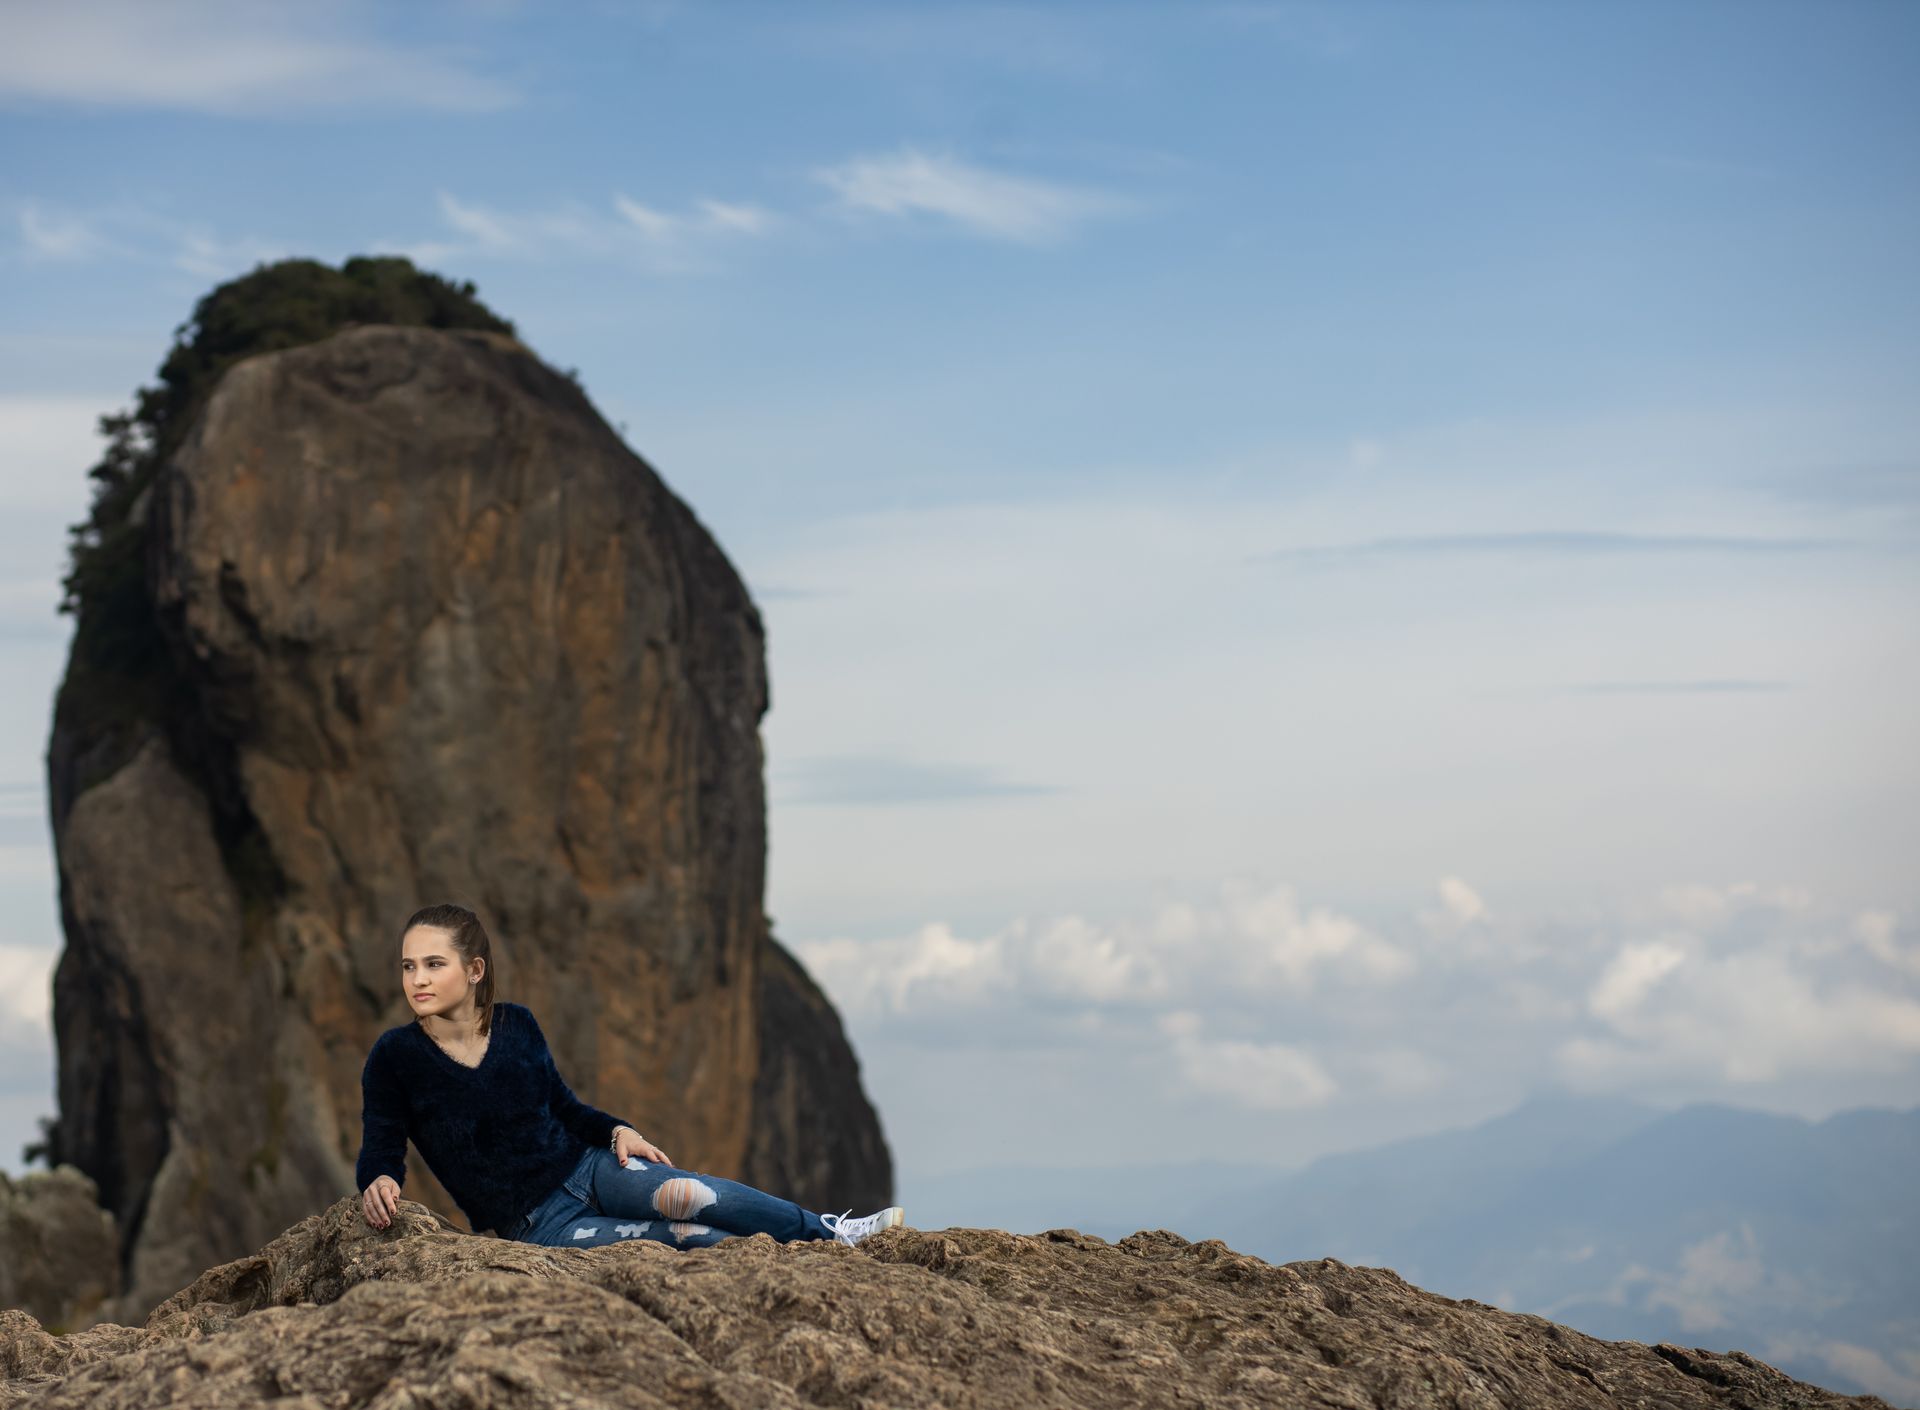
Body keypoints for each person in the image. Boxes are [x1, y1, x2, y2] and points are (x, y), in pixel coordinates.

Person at [356, 902, 904, 1250]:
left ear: (474, 970)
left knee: (695, 1196)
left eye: (434, 964)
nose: (417, 980)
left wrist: (618, 1131)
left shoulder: (516, 1024)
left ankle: (831, 1232)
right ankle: (799, 1260)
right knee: (687, 1239)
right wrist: (378, 1180)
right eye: (409, 966)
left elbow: (565, 1108)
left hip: (592, 1168)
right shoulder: (394, 1056)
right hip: (539, 1225)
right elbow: (382, 1140)